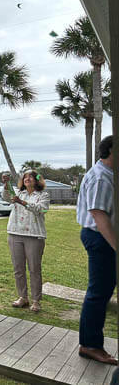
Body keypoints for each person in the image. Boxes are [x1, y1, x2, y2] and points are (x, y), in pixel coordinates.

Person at [77, 135, 117, 365]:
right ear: (111, 150)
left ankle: (90, 343)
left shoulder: (108, 173)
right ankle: (90, 345)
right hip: (100, 238)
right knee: (98, 292)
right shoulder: (101, 177)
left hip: (104, 237)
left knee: (101, 290)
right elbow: (99, 215)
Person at [2, 170, 49, 313]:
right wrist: (6, 184)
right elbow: (6, 198)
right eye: (25, 177)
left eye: (30, 176)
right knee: (18, 269)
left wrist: (22, 202)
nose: (27, 178)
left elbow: (42, 210)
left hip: (34, 236)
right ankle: (23, 297)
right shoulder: (18, 192)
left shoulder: (43, 195)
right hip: (15, 233)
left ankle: (36, 300)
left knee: (34, 269)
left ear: (37, 180)